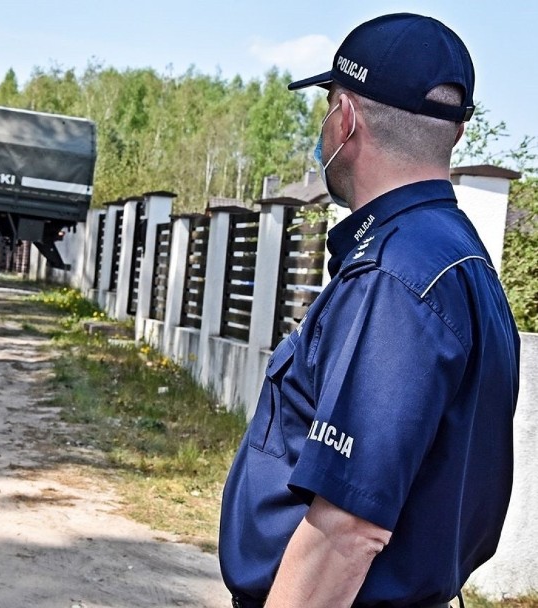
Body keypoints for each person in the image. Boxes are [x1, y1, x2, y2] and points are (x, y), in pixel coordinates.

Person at [219, 13, 520, 608]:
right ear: (455, 134)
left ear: (346, 116)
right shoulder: (460, 260)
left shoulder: (395, 273)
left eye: (328, 104)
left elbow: (349, 530)